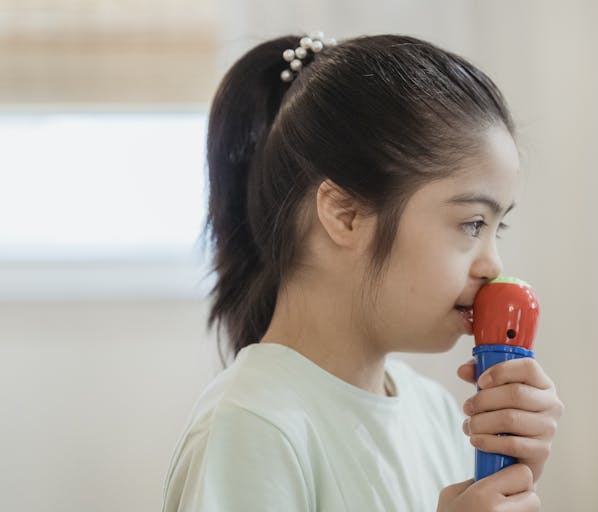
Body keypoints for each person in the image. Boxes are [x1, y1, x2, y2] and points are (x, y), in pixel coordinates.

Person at [162, 32, 564, 512]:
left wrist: (510, 474)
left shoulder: (434, 411)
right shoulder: (252, 425)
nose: (493, 264)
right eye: (472, 223)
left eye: (499, 227)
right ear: (346, 215)